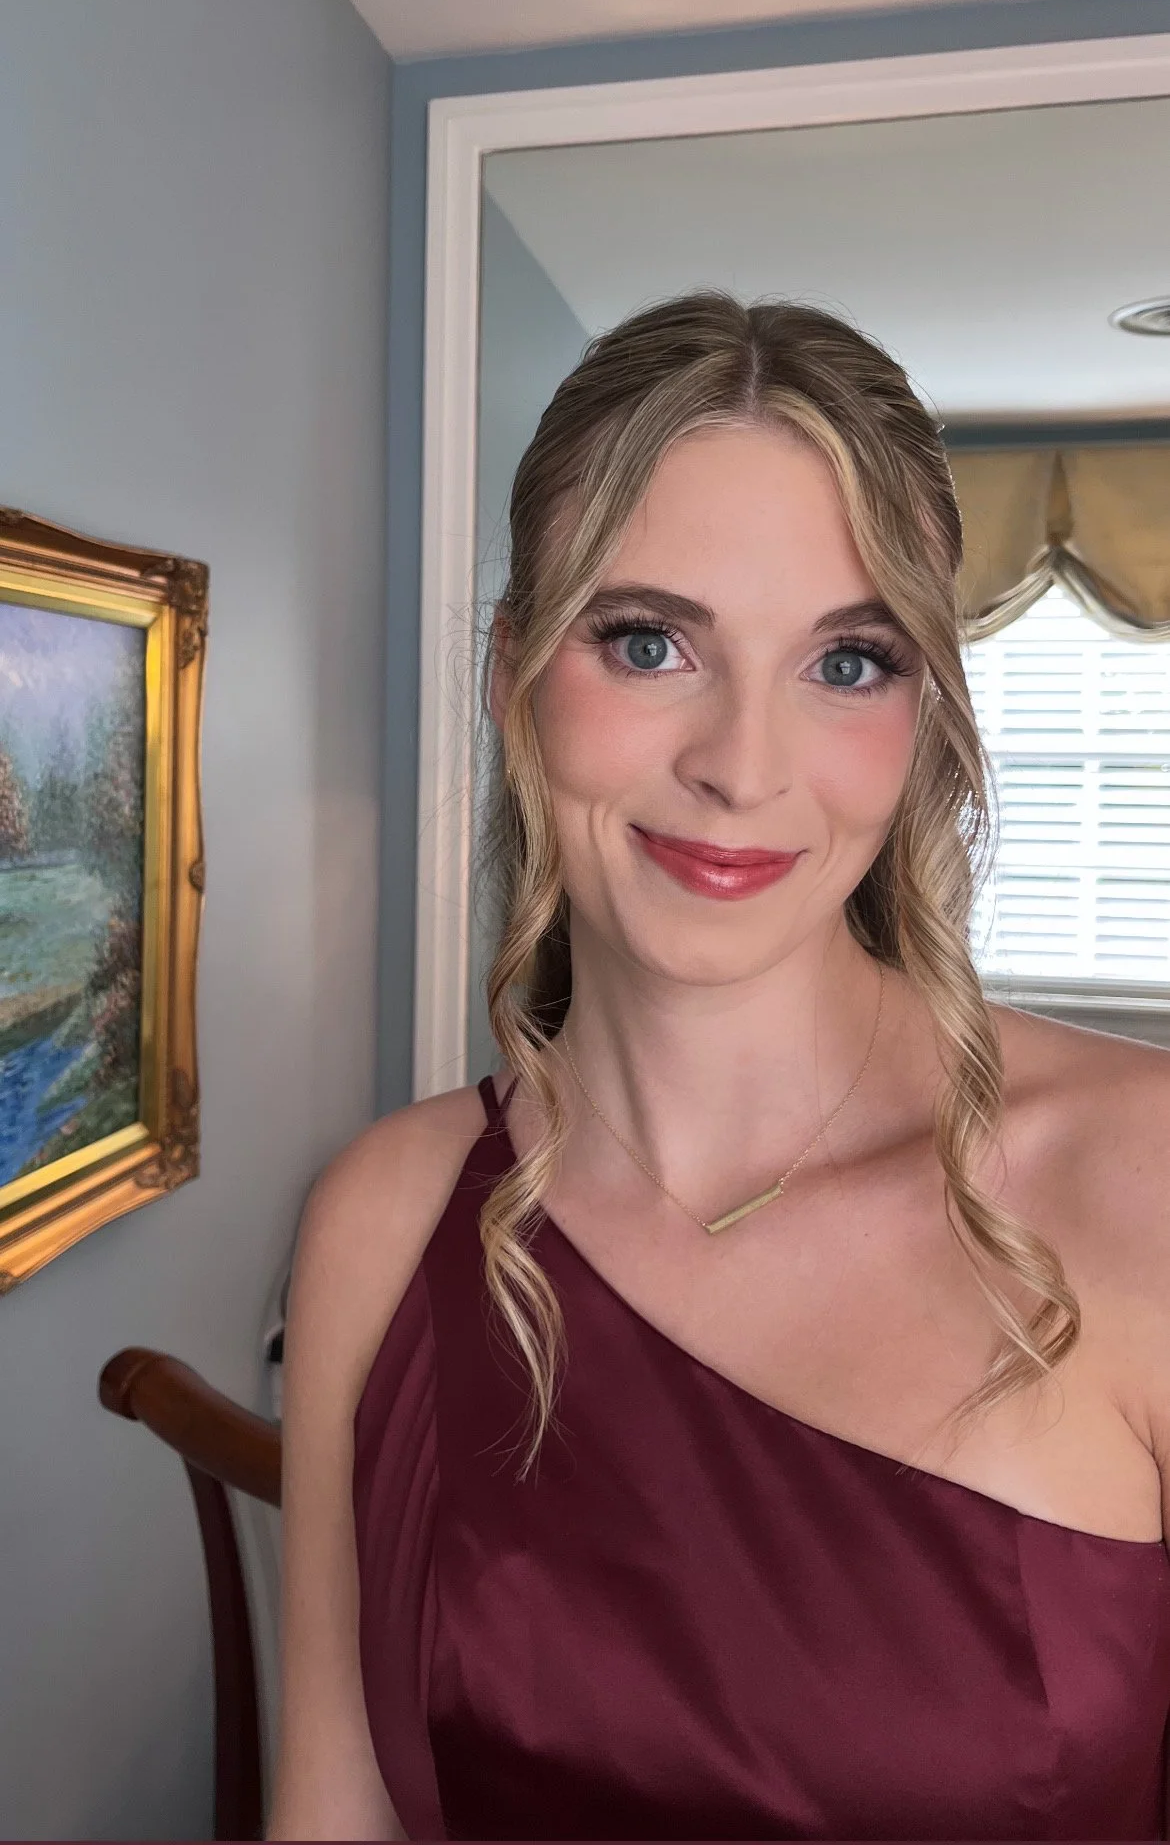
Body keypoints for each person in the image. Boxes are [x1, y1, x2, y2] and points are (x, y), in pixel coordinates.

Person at [268, 293, 1170, 1842]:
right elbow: (331, 1815)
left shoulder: (1140, 1179)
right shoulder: (384, 1216)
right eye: (648, 642)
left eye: (847, 662)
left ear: (922, 713)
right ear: (509, 672)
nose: (742, 767)